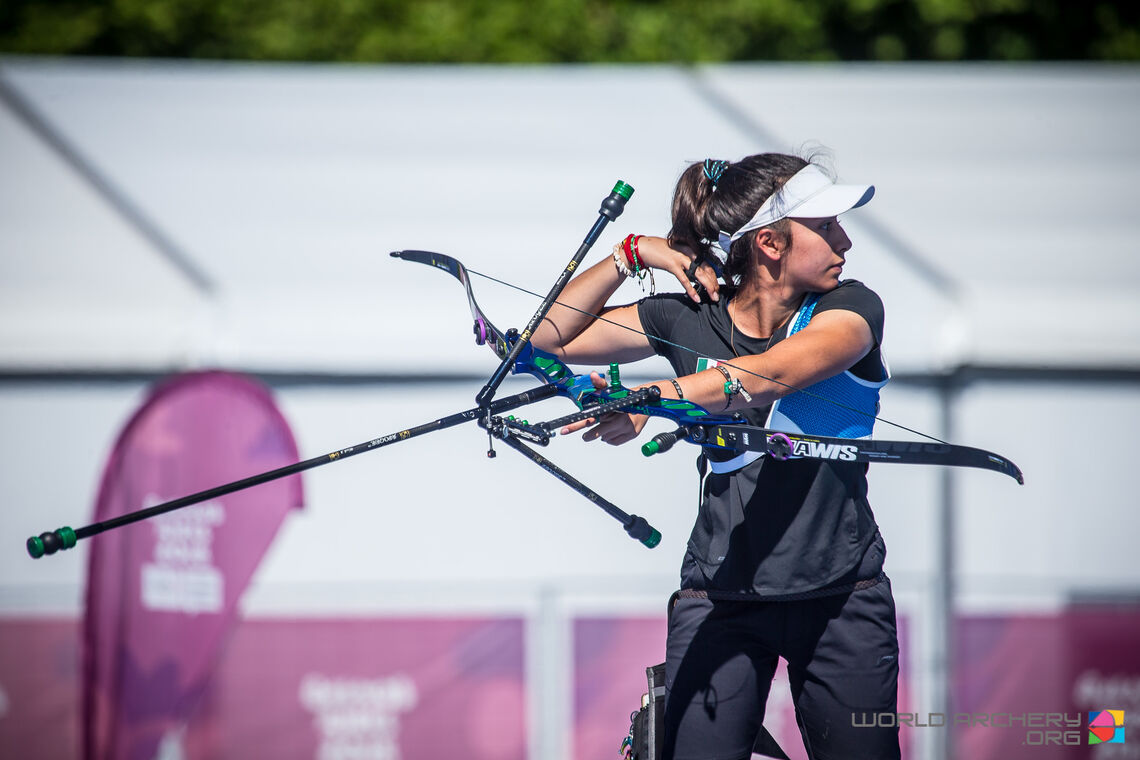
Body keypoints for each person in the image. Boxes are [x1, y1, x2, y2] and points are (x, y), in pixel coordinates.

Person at [531, 152, 900, 760]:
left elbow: (769, 375)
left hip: (841, 597)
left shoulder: (852, 308)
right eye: (828, 226)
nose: (846, 240)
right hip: (720, 595)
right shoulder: (685, 316)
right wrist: (631, 254)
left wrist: (652, 399)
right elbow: (537, 340)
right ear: (772, 245)